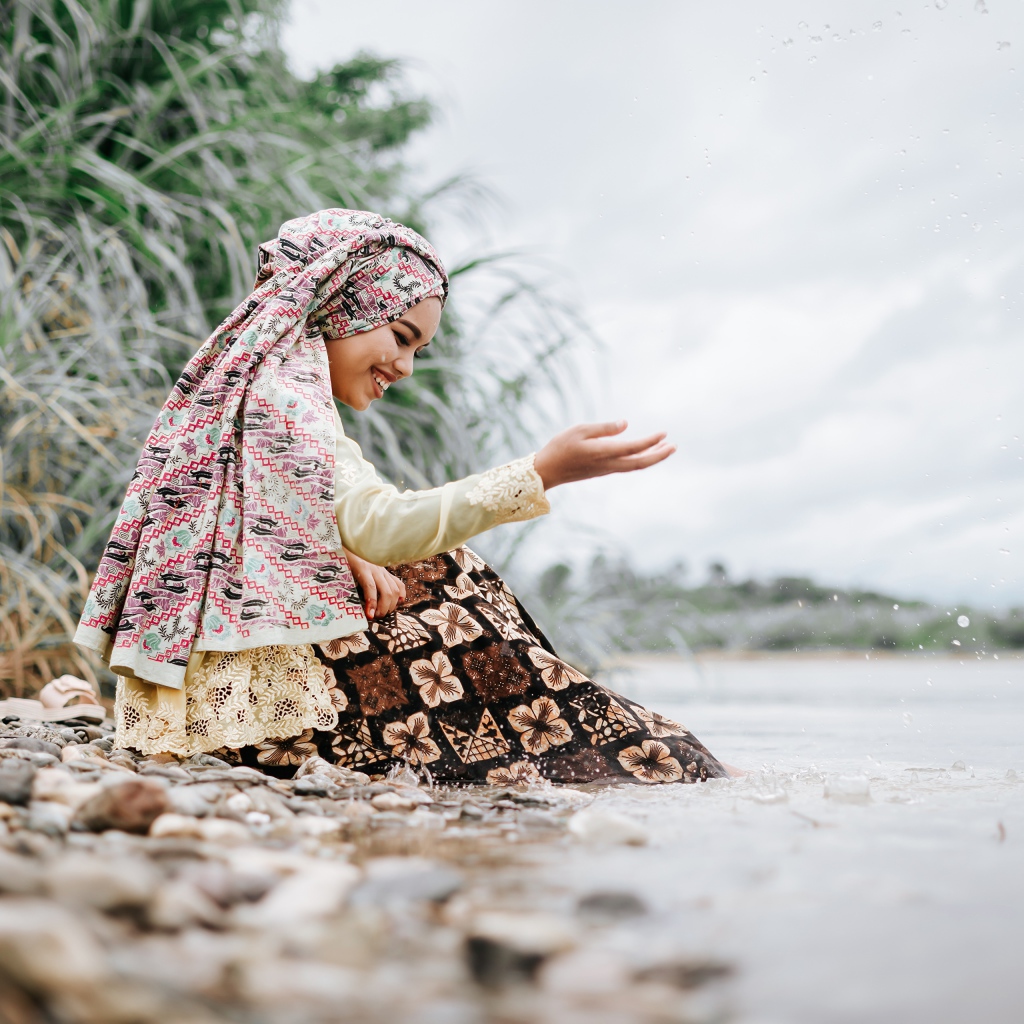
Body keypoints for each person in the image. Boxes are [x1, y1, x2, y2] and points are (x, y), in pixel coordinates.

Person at [75, 209, 728, 785]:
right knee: (449, 575)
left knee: (410, 569)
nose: (406, 368)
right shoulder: (289, 407)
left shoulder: (240, 392)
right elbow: (385, 527)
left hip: (190, 713)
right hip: (252, 730)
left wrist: (333, 553)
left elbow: (245, 537)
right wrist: (541, 471)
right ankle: (609, 752)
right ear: (342, 305)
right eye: (402, 337)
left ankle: (600, 743)